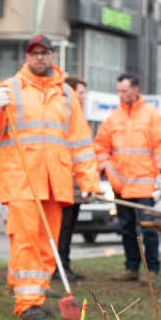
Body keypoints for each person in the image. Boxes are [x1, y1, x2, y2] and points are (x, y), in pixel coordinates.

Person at [0, 34, 100, 320]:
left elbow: (80, 142)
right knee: (26, 240)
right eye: (35, 53)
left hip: (54, 182)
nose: (40, 57)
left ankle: (37, 289)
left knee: (47, 243)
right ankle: (27, 301)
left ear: (53, 57)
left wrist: (89, 181)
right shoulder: (10, 88)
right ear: (27, 57)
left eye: (45, 53)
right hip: (22, 180)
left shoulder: (66, 95)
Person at [93, 73, 161, 283]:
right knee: (127, 229)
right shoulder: (113, 118)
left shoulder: (152, 115)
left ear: (136, 90)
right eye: (119, 91)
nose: (121, 94)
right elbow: (100, 145)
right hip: (121, 185)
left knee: (148, 228)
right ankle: (132, 268)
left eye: (125, 90)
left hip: (145, 186)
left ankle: (152, 270)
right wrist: (104, 168)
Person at [55, 75, 90, 282]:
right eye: (81, 92)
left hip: (76, 185)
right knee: (63, 226)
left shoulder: (78, 118)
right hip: (65, 184)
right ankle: (59, 266)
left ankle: (65, 264)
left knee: (70, 227)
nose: (84, 97)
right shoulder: (63, 117)